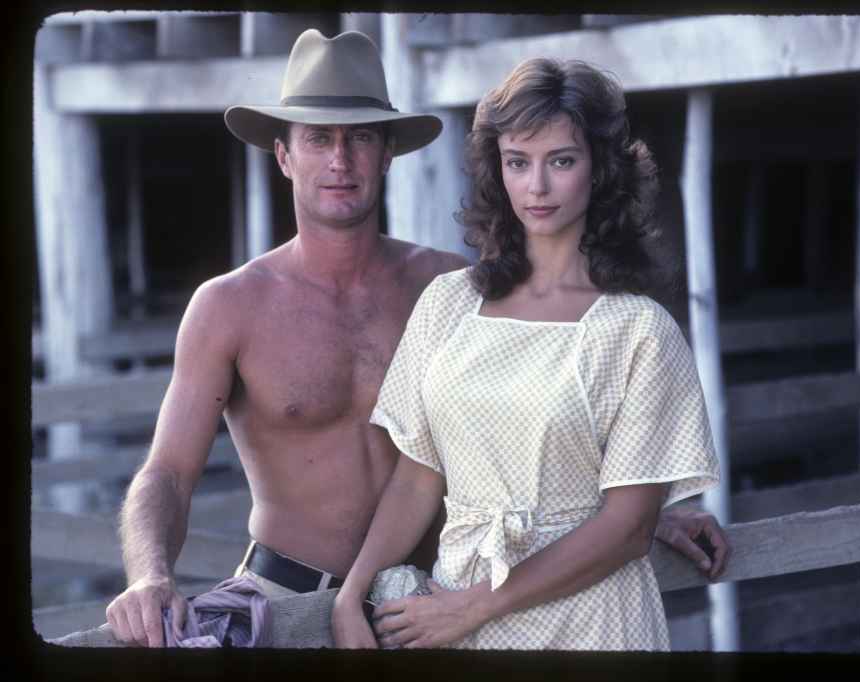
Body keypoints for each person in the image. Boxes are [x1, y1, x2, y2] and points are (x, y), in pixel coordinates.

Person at [104, 29, 729, 649]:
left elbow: (521, 425)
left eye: (361, 138)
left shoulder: (455, 289)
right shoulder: (228, 306)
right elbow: (167, 472)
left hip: (428, 604)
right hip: (288, 597)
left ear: (387, 154)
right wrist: (149, 575)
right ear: (284, 155)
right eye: (318, 138)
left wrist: (639, 512)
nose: (340, 161)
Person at [331, 57, 722, 651]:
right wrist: (352, 591)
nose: (536, 186)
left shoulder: (639, 331)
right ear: (498, 170)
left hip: (590, 621)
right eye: (518, 162)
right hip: (454, 609)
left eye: (561, 161)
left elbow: (629, 527)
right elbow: (418, 475)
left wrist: (473, 607)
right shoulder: (448, 303)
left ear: (600, 170)